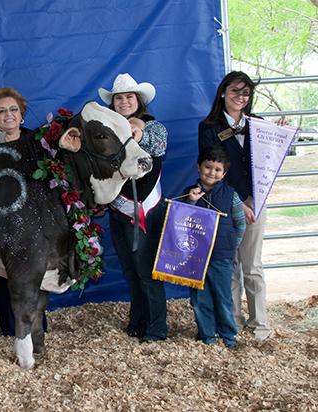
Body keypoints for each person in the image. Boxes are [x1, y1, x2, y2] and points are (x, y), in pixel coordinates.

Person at [198, 71, 273, 342]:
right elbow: (213, 170)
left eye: (245, 93)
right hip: (224, 202)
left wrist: (281, 138)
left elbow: (270, 163)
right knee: (228, 264)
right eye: (235, 91)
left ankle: (260, 325)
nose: (240, 97)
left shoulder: (260, 125)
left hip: (257, 200)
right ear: (222, 93)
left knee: (252, 264)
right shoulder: (208, 127)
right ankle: (232, 321)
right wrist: (237, 203)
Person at [99, 73, 168, 342]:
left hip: (145, 211)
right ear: (113, 102)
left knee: (148, 273)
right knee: (130, 271)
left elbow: (148, 152)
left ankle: (156, 328)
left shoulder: (155, 128)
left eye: (129, 97)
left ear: (139, 100)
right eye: (119, 98)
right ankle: (138, 321)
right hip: (119, 210)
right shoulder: (106, 130)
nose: (124, 101)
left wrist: (134, 129)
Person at [0, 87, 48, 336]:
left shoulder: (37, 144)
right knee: (3, 275)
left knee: (34, 275)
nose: (9, 115)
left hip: (32, 224)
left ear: (22, 115)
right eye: (2, 111)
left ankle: (36, 328)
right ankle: (10, 328)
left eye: (14, 110)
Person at [183, 145, 246, 348]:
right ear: (199, 167)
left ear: (224, 173)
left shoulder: (231, 195)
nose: (212, 172)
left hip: (222, 256)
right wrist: (191, 202)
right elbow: (180, 221)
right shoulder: (188, 194)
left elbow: (241, 223)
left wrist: (231, 247)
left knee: (223, 296)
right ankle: (207, 335)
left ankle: (228, 335)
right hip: (195, 257)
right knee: (200, 299)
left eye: (217, 169)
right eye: (208, 167)